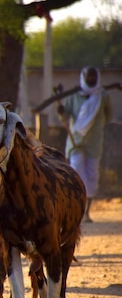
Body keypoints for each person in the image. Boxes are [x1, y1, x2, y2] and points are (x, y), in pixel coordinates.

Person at [58, 66, 112, 223]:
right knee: (76, 175)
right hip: (75, 142)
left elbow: (108, 116)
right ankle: (76, 211)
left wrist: (96, 127)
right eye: (88, 77)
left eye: (93, 77)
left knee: (91, 176)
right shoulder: (73, 96)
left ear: (97, 78)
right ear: (83, 77)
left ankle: (86, 212)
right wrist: (61, 111)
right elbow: (65, 115)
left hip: (94, 143)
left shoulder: (102, 97)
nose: (90, 80)